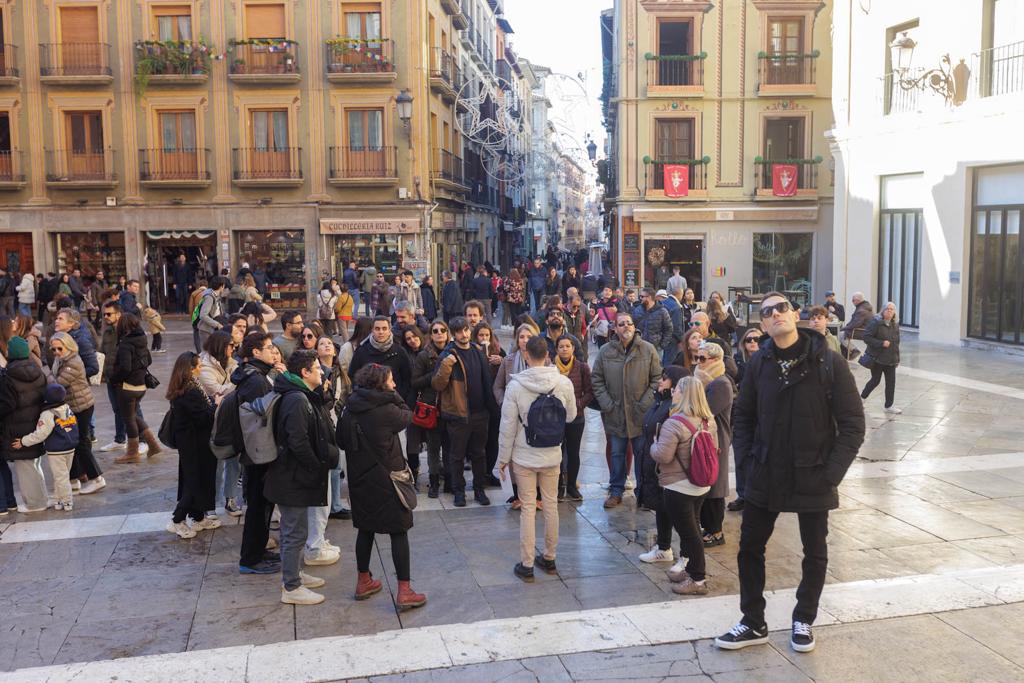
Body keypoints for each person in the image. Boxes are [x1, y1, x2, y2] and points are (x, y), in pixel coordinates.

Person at [714, 291, 865, 653]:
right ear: (763, 325)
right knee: (750, 547)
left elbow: (853, 424)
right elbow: (743, 416)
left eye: (782, 307)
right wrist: (745, 465)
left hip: (813, 472)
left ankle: (804, 618)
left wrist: (831, 474)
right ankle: (753, 621)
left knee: (814, 550)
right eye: (767, 312)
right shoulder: (759, 364)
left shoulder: (828, 361)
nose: (775, 314)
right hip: (766, 471)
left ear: (795, 314)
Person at [339, 363, 427, 609]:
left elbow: (340, 441)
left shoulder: (349, 407)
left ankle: (363, 581)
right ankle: (404, 591)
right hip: (388, 481)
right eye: (390, 381)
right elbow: (408, 414)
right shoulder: (388, 410)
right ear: (380, 384)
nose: (394, 384)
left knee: (365, 529)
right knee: (399, 531)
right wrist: (392, 395)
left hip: (360, 479)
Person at [497, 335, 576, 582]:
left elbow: (508, 426)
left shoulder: (516, 386)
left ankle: (527, 563)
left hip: (524, 455)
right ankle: (550, 558)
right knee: (551, 505)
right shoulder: (563, 383)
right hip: (552, 453)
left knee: (528, 508)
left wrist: (502, 459)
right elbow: (571, 416)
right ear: (549, 355)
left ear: (526, 355)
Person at [264, 350, 340, 605]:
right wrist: (315, 466)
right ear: (305, 373)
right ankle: (291, 586)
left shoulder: (301, 394)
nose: (321, 372)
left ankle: (295, 573)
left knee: (298, 530)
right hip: (292, 477)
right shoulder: (296, 399)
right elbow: (298, 441)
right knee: (293, 533)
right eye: (317, 368)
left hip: (295, 475)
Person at [650, 376, 718, 596]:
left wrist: (653, 445)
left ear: (684, 394)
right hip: (701, 485)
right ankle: (689, 570)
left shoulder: (674, 423)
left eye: (677, 389)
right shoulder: (709, 421)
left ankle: (697, 579)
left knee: (689, 534)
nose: (673, 392)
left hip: (678, 486)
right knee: (693, 528)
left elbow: (663, 456)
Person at [592, 311, 662, 508]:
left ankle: (643, 493)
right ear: (615, 328)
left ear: (634, 326)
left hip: (640, 414)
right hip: (615, 413)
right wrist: (607, 404)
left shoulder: (647, 349)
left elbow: (657, 379)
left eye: (629, 323)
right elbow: (596, 379)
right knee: (617, 453)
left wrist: (645, 403)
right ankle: (616, 490)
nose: (626, 327)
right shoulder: (605, 351)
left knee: (642, 454)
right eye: (621, 324)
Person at [431, 316, 497, 507]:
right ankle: (458, 491)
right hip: (458, 414)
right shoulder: (447, 355)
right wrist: (446, 366)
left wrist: (491, 409)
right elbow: (437, 384)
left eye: (466, 330)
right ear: (453, 334)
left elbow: (486, 381)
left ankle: (479, 490)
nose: (464, 334)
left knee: (479, 454)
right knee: (457, 456)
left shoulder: (477, 351)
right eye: (459, 331)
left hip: (480, 413)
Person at [235, 332, 285, 575]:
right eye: (268, 348)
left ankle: (258, 551)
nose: (273, 351)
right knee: (258, 506)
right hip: (258, 452)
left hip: (255, 450)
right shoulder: (257, 381)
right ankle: (251, 559)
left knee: (262, 505)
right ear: (256, 352)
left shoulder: (255, 375)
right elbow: (264, 417)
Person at [636, 365, 690, 562]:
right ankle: (663, 548)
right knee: (661, 508)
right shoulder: (660, 401)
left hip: (667, 468)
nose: (660, 380)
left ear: (675, 384)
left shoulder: (674, 408)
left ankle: (687, 559)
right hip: (655, 465)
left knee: (682, 518)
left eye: (665, 378)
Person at [165, 352, 221, 539]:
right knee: (194, 481)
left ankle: (198, 517)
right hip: (194, 444)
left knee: (200, 478)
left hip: (193, 441)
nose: (200, 369)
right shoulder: (189, 391)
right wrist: (216, 404)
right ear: (189, 369)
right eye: (198, 366)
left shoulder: (187, 386)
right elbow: (203, 418)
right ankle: (177, 520)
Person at [48, 332, 105, 495]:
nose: (56, 352)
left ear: (69, 346)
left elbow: (57, 384)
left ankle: (97, 479)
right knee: (70, 442)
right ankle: (73, 481)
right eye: (53, 349)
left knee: (81, 444)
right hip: (72, 406)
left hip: (82, 407)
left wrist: (48, 378)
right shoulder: (61, 361)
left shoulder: (73, 362)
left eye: (60, 348)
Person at [0, 337, 48, 512]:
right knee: (34, 464)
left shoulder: (9, 376)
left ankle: (35, 504)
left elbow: (7, 404)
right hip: (35, 424)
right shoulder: (37, 370)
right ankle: (41, 498)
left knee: (25, 467)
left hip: (17, 428)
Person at [694, 342, 735, 548]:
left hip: (716, 440)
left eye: (702, 358)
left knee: (715, 486)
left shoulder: (720, 383)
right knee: (705, 483)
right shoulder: (704, 380)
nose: (698, 362)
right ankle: (708, 527)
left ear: (715, 360)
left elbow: (706, 411)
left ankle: (716, 531)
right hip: (705, 439)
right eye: (697, 357)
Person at [198, 332, 242, 516]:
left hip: (231, 416)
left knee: (234, 459)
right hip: (212, 419)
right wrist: (238, 384)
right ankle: (211, 503)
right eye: (231, 345)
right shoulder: (204, 366)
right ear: (220, 346)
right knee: (215, 463)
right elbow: (216, 390)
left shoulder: (232, 363)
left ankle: (230, 498)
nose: (234, 348)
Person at [15, 383, 78, 512]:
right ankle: (58, 500)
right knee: (62, 476)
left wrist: (23, 441)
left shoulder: (48, 414)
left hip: (56, 450)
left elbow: (41, 434)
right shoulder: (66, 408)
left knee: (60, 477)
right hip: (70, 447)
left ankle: (67, 501)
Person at [110, 313, 162, 464]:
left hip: (127, 387)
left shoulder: (125, 344)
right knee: (133, 416)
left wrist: (114, 378)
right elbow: (149, 360)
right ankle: (153, 445)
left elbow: (125, 368)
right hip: (141, 386)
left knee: (129, 419)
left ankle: (132, 452)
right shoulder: (142, 339)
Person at [412, 320, 451, 498]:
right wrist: (435, 373)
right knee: (433, 448)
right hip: (432, 408)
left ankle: (449, 481)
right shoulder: (424, 356)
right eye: (435, 331)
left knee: (450, 448)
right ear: (431, 335)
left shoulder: (454, 352)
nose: (439, 333)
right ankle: (434, 482)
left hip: (451, 407)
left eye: (443, 330)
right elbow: (415, 382)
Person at [554, 335, 592, 502]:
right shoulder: (551, 368)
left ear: (573, 348)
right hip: (556, 418)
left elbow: (590, 391)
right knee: (557, 453)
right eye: (561, 346)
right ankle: (557, 486)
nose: (564, 349)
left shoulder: (582, 367)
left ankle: (571, 486)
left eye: (567, 346)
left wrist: (579, 404)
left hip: (576, 417)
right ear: (556, 349)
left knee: (573, 452)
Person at [349, 316, 413, 405]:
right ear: (372, 330)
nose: (381, 332)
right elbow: (353, 375)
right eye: (377, 329)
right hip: (368, 402)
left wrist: (400, 397)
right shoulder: (361, 351)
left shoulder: (399, 351)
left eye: (384, 328)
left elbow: (407, 378)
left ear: (389, 330)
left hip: (394, 402)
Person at [473, 321, 505, 485]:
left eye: (487, 335)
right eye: (481, 335)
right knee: (479, 441)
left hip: (494, 403)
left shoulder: (498, 350)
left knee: (493, 439)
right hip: (478, 403)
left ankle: (489, 472)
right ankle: (479, 475)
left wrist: (501, 361)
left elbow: (508, 369)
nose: (484, 338)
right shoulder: (471, 351)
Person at [860, 302, 902, 414]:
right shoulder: (876, 322)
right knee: (875, 380)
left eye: (892, 309)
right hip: (877, 358)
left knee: (891, 383)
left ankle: (889, 406)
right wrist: (881, 343)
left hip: (891, 359)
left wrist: (897, 358)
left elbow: (896, 343)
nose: (890, 311)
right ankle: (861, 399)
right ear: (882, 310)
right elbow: (866, 337)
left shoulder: (895, 324)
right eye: (887, 309)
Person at [634, 288, 674, 359]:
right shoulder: (638, 310)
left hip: (656, 348)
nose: (640, 299)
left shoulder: (662, 311)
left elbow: (669, 328)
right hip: (640, 347)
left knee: (656, 366)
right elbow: (633, 326)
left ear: (649, 297)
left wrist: (662, 345)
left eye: (642, 296)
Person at [195, 276, 227, 350]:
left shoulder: (215, 295)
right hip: (206, 330)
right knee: (208, 352)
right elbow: (203, 315)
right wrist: (217, 324)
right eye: (224, 286)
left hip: (211, 329)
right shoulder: (210, 297)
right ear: (221, 286)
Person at [839, 292, 873, 360]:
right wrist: (846, 327)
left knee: (840, 334)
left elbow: (855, 324)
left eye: (853, 300)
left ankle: (854, 350)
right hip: (864, 329)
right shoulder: (864, 306)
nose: (852, 302)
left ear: (857, 300)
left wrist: (843, 328)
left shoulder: (861, 310)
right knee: (842, 333)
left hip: (862, 331)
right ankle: (847, 354)